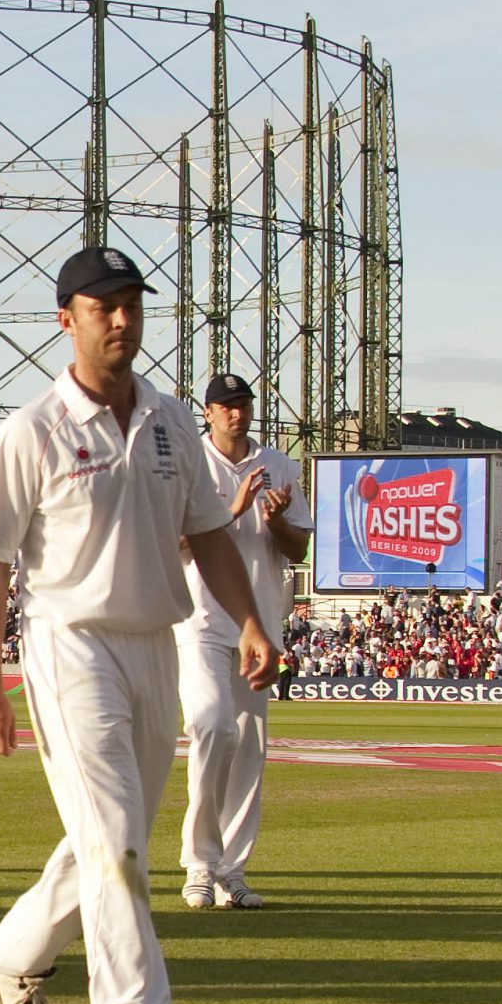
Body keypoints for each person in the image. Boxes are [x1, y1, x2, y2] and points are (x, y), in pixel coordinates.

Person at [0, 245, 277, 1004]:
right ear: (68, 319)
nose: (123, 319)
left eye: (133, 303)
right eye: (104, 307)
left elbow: (210, 532)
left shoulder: (173, 421)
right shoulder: (34, 430)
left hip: (155, 644)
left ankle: (10, 955)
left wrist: (248, 617)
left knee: (110, 838)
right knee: (121, 845)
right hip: (70, 644)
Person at [175, 374, 310, 910]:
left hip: (260, 623)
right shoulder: (191, 463)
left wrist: (275, 522)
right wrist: (227, 513)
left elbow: (297, 549)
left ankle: (232, 870)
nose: (237, 412)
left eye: (243, 403)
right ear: (206, 412)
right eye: (226, 405)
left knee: (250, 747)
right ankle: (199, 864)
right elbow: (171, 543)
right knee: (211, 725)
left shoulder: (281, 465)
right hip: (200, 618)